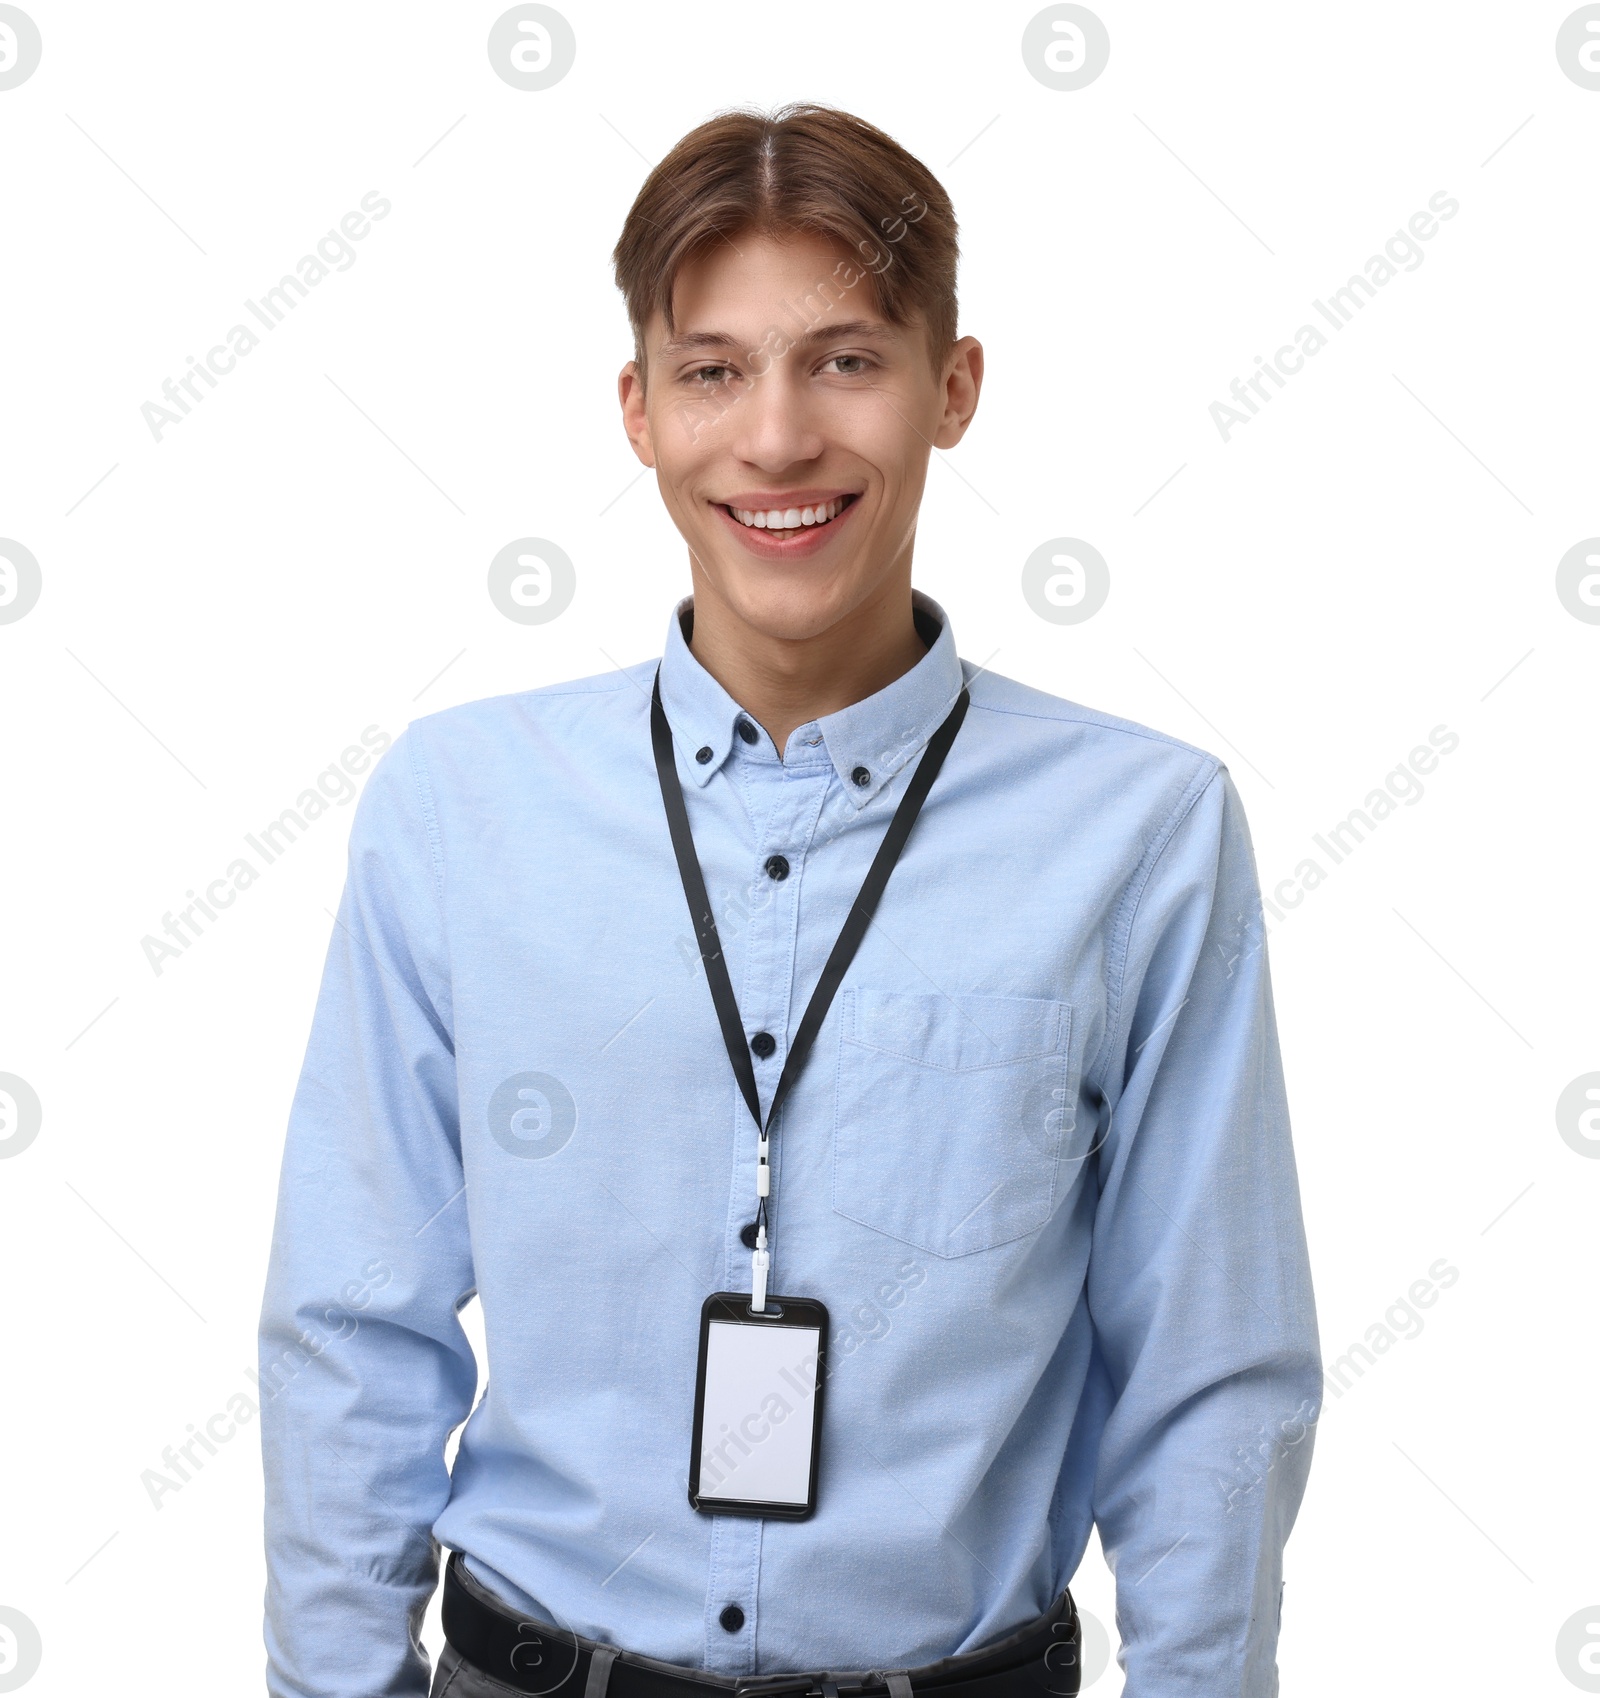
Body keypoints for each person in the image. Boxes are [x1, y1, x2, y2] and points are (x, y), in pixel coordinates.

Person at [258, 103, 1320, 1698]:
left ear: (952, 388)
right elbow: (353, 1328)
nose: (774, 438)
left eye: (844, 358)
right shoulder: (458, 809)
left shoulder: (1145, 831)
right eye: (711, 370)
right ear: (637, 411)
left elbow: (1210, 1377)